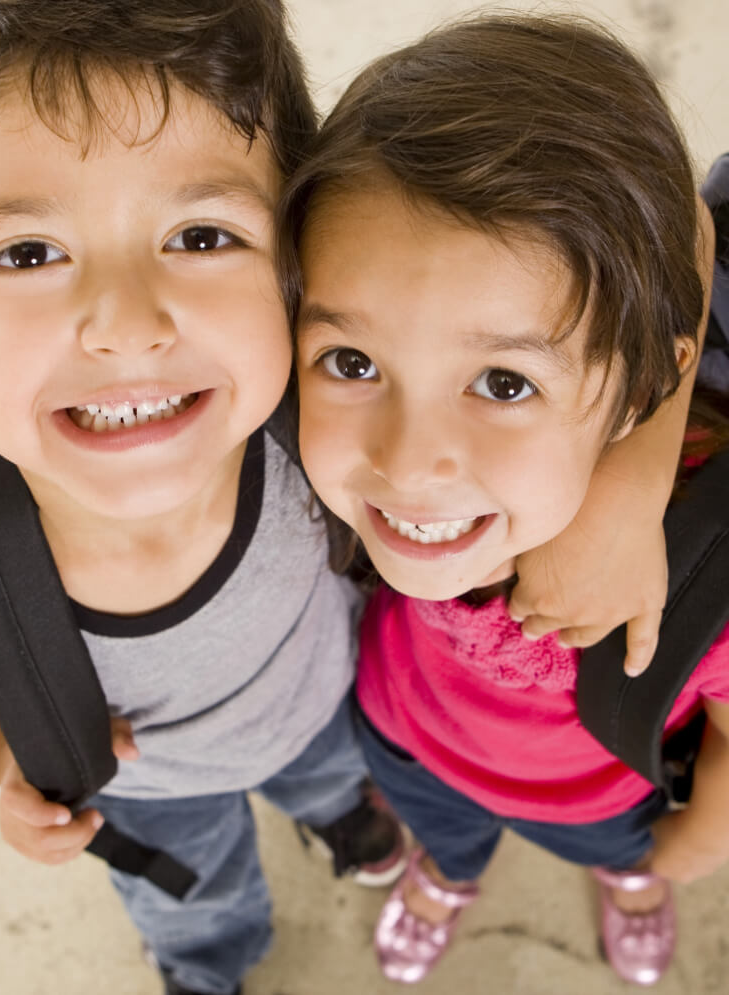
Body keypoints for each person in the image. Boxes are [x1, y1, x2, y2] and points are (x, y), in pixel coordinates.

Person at [0, 4, 409, 995]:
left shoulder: (324, 417)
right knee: (198, 898)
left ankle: (336, 813)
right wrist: (6, 767)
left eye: (200, 233)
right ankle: (208, 967)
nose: (127, 324)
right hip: (147, 788)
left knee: (327, 770)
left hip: (315, 697)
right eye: (26, 252)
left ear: (294, 268)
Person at [281, 13, 729, 987]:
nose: (410, 463)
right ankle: (445, 873)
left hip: (600, 798)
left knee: (625, 859)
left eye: (502, 382)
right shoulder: (285, 415)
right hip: (402, 728)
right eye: (351, 360)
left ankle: (628, 887)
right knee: (442, 833)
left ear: (644, 388)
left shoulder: (700, 576)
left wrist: (689, 847)